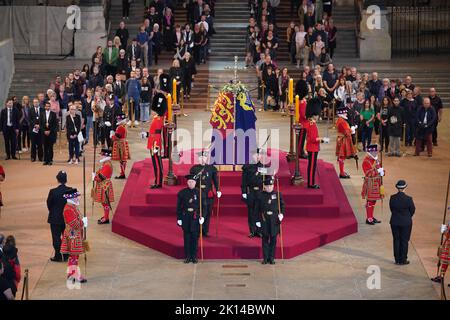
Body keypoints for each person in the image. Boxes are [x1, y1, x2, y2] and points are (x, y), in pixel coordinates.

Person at [189, 150, 221, 237]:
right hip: (198, 193)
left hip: (208, 194)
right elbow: (191, 181)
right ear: (198, 159)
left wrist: (218, 190)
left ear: (207, 158)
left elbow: (215, 181)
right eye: (200, 157)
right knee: (198, 212)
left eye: (204, 157)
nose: (202, 159)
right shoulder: (194, 169)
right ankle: (196, 230)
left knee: (207, 213)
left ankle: (205, 230)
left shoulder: (212, 169)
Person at [255, 176, 285, 265]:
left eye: (271, 186)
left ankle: (271, 258)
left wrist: (281, 214)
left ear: (273, 186)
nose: (269, 188)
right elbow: (256, 209)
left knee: (273, 240)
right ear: (265, 186)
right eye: (267, 186)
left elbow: (282, 206)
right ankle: (265, 258)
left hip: (274, 220)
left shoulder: (278, 194)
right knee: (264, 240)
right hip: (264, 220)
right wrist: (257, 220)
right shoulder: (260, 195)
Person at [60, 188, 87, 283]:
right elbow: (75, 224)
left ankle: (72, 274)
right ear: (71, 198)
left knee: (74, 256)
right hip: (72, 236)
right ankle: (74, 275)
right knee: (74, 256)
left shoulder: (73, 207)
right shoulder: (68, 209)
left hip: (75, 235)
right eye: (76, 197)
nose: (78, 199)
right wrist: (83, 222)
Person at [177, 174, 203, 264]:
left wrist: (202, 216)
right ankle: (187, 256)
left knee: (195, 239)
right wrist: (179, 218)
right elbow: (179, 207)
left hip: (195, 218)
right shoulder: (182, 193)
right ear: (187, 183)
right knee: (187, 239)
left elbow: (203, 206)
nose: (191, 183)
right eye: (189, 182)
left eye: (192, 182)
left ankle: (194, 256)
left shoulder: (199, 192)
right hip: (186, 218)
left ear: (195, 183)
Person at [47, 171, 72, 262]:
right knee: (66, 236)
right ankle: (66, 254)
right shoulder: (71, 190)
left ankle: (58, 255)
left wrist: (54, 212)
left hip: (55, 218)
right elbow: (74, 204)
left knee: (56, 237)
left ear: (57, 179)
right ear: (66, 179)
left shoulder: (52, 191)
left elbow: (49, 204)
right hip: (67, 218)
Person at [389, 180, 415, 265]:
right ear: (405, 188)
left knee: (396, 240)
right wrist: (407, 217)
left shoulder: (392, 197)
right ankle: (403, 259)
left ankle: (397, 259)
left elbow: (391, 209)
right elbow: (412, 210)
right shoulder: (408, 199)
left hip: (395, 221)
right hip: (406, 223)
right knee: (404, 241)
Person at [305, 98, 329, 189]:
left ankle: (311, 182)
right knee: (312, 166)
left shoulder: (310, 123)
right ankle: (311, 183)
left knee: (312, 165)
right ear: (314, 115)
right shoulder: (312, 124)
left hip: (312, 147)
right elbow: (313, 139)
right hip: (313, 148)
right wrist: (323, 140)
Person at [241, 149, 265, 238]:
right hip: (251, 192)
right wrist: (244, 193)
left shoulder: (263, 167)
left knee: (259, 212)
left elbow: (265, 180)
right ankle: (252, 230)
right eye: (256, 155)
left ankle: (259, 231)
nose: (258, 157)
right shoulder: (247, 167)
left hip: (260, 192)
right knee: (251, 213)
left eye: (259, 155)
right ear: (252, 155)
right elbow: (243, 181)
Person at [146, 93, 167, 189]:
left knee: (157, 163)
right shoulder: (156, 117)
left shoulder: (161, 117)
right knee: (155, 163)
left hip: (156, 143)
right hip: (152, 142)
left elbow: (158, 133)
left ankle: (158, 182)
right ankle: (157, 180)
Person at [361, 144, 384, 225]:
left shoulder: (376, 160)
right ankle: (369, 218)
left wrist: (383, 172)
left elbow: (380, 169)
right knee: (370, 201)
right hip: (370, 183)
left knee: (373, 201)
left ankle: (371, 216)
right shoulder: (365, 161)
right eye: (375, 151)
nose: (376, 153)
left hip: (377, 183)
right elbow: (368, 173)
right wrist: (378, 171)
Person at [335, 106, 357, 179]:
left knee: (342, 157)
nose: (346, 114)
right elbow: (347, 132)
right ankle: (341, 173)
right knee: (342, 156)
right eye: (345, 112)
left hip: (341, 139)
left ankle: (342, 171)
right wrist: (352, 129)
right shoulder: (342, 121)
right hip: (343, 140)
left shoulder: (340, 120)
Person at [94, 149, 114, 224]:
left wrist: (95, 177)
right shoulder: (105, 163)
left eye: (101, 155)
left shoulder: (107, 165)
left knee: (105, 202)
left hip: (105, 185)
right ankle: (106, 216)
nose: (100, 157)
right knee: (104, 202)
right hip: (104, 185)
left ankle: (106, 218)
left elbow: (101, 177)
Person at [112, 114, 130, 179]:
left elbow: (117, 137)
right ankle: (122, 173)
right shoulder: (123, 126)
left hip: (120, 144)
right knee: (123, 159)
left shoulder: (120, 127)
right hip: (123, 143)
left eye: (119, 119)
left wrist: (112, 136)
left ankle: (122, 174)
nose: (117, 120)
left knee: (122, 160)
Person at [39, 101, 58, 166]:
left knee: (50, 147)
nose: (47, 107)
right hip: (44, 133)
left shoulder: (53, 114)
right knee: (45, 147)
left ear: (50, 107)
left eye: (49, 106)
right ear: (44, 107)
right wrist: (44, 130)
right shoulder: (41, 113)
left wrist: (50, 131)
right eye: (46, 106)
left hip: (51, 133)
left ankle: (50, 160)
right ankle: (45, 160)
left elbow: (55, 124)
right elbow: (40, 124)